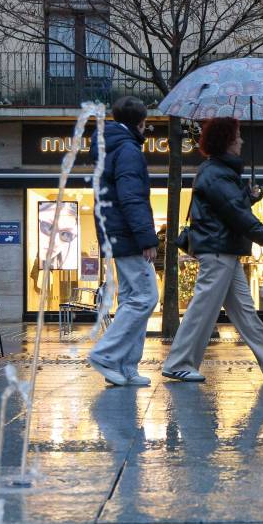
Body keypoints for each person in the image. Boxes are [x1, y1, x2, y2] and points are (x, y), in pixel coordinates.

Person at [162, 117, 263, 383]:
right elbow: (235, 214)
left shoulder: (220, 172)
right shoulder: (215, 173)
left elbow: (229, 208)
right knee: (203, 308)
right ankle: (178, 362)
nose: (242, 141)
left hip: (224, 249)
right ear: (226, 141)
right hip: (217, 250)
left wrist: (250, 197)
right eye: (237, 136)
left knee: (243, 309)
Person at [87, 95, 159, 387]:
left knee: (131, 298)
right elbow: (131, 197)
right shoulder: (128, 150)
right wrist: (147, 238)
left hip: (116, 232)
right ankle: (106, 354)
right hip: (128, 236)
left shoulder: (110, 146)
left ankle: (126, 367)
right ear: (141, 123)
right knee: (146, 297)